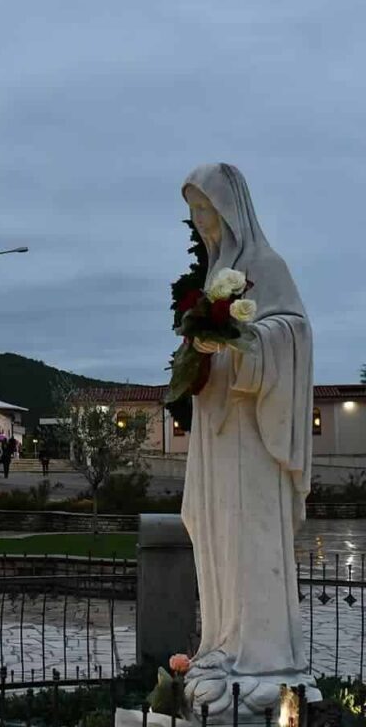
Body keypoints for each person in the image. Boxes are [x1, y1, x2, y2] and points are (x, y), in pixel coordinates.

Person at [179, 164, 319, 713]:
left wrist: (244, 339)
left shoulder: (265, 265)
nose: (199, 222)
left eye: (206, 210)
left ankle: (262, 659)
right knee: (215, 532)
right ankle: (223, 642)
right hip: (219, 433)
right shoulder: (217, 272)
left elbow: (295, 333)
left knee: (249, 535)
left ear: (230, 210)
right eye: (193, 212)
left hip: (254, 436)